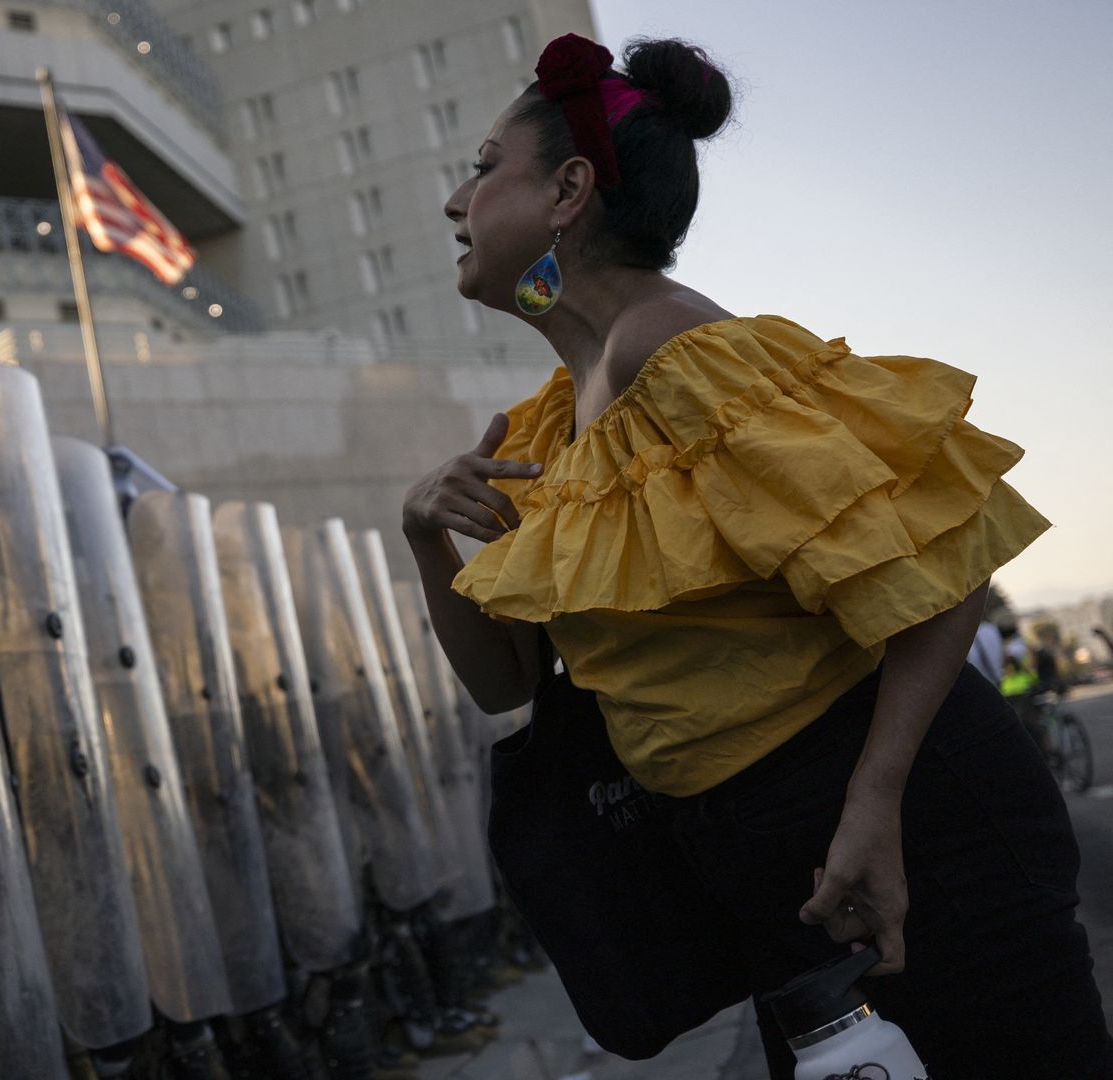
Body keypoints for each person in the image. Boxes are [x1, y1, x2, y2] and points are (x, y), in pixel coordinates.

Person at [403, 32, 1112, 1078]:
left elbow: (948, 564)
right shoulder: (547, 428)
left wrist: (874, 804)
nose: (455, 202)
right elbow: (505, 681)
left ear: (567, 191)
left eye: (480, 167)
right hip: (766, 863)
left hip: (904, 821)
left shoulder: (677, 351)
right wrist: (427, 538)